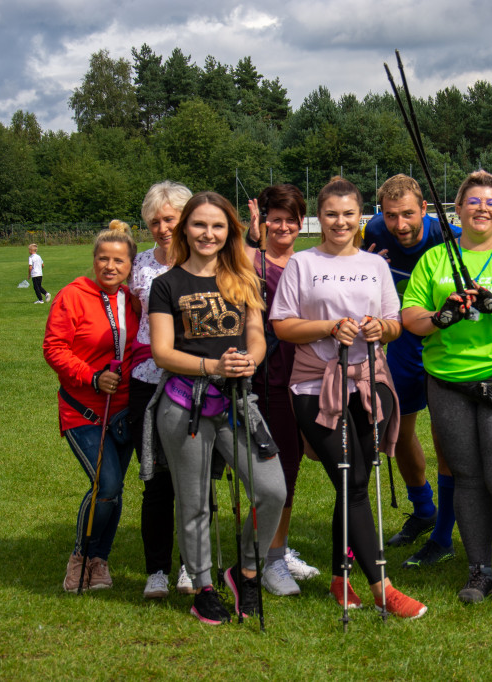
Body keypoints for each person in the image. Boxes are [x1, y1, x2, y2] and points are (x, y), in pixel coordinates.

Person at [272, 176, 427, 619]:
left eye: (348, 214)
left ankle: (341, 578)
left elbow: (395, 321)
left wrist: (383, 328)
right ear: (318, 218)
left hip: (369, 383)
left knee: (354, 481)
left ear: (361, 217)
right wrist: (327, 327)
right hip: (315, 386)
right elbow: (282, 324)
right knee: (351, 480)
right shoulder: (301, 264)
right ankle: (383, 586)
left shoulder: (374, 265)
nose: (340, 222)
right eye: (331, 214)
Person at [402, 170, 492, 618]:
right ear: (458, 209)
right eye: (473, 202)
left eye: (490, 203)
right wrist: (441, 315)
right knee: (466, 478)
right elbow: (410, 316)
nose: (481, 209)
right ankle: (479, 570)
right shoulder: (434, 260)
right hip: (448, 381)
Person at [147, 191, 286, 625]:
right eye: (200, 225)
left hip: (237, 402)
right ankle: (204, 587)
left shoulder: (243, 278)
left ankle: (245, 572)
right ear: (186, 228)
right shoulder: (165, 285)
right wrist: (212, 364)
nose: (208, 234)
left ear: (230, 231)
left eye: (218, 226)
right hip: (183, 404)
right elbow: (163, 352)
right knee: (193, 503)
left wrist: (252, 359)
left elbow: (257, 334)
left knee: (272, 490)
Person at [362, 173, 460, 568]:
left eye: (407, 214)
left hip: (443, 337)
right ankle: (424, 509)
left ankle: (443, 536)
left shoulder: (450, 237)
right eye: (390, 216)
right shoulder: (373, 231)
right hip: (401, 338)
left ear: (425, 209)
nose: (399, 225)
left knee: (445, 439)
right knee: (396, 430)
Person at [43, 221, 139, 592]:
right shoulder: (72, 295)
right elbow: (54, 348)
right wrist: (92, 376)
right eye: (103, 258)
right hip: (83, 410)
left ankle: (101, 561)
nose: (110, 266)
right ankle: (80, 557)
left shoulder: (134, 300)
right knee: (107, 484)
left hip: (125, 411)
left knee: (114, 492)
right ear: (93, 260)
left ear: (131, 264)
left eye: (118, 260)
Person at [241, 183, 322, 596]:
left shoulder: (310, 262)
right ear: (265, 220)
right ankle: (267, 559)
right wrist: (251, 234)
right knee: (274, 471)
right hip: (266, 378)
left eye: (291, 219)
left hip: (307, 377)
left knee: (293, 467)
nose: (284, 226)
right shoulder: (250, 262)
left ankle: (278, 549)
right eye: (276, 218)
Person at [127, 181, 195, 599]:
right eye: (155, 221)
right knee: (156, 480)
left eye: (170, 218)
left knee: (195, 478)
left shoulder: (204, 262)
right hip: (147, 381)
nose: (163, 227)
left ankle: (192, 564)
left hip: (193, 382)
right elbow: (137, 317)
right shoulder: (140, 265)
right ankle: (157, 569)